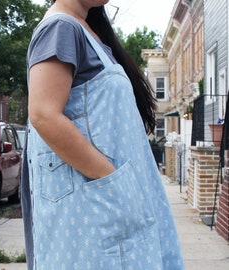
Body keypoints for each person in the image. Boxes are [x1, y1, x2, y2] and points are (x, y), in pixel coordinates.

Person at [21, 0, 185, 269]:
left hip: (110, 202)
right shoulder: (60, 28)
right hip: (95, 209)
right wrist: (113, 181)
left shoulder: (87, 30)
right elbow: (44, 115)